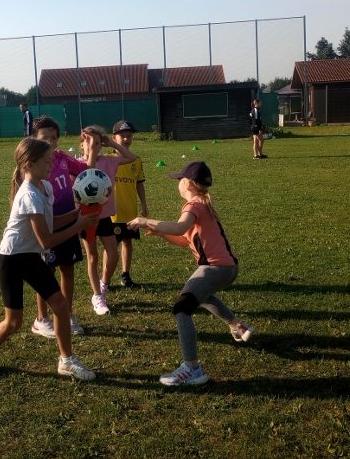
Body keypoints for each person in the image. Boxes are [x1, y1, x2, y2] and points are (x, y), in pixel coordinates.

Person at [0, 138, 98, 382]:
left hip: (30, 257)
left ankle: (66, 361)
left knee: (60, 305)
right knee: (14, 322)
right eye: (46, 161)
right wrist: (79, 226)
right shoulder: (28, 194)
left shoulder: (45, 187)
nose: (51, 166)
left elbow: (50, 222)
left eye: (51, 160)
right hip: (10, 259)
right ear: (29, 165)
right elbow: (46, 241)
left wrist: (77, 214)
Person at [128, 161, 254, 387]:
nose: (177, 183)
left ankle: (192, 368)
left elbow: (178, 227)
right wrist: (160, 232)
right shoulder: (203, 204)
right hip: (227, 268)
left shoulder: (193, 205)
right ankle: (237, 326)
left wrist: (145, 220)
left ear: (187, 183)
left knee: (182, 309)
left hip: (215, 268)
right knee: (201, 296)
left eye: (179, 179)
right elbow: (185, 239)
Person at [30, 116, 96, 338]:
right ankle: (41, 319)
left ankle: (67, 314)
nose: (49, 142)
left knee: (67, 269)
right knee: (45, 274)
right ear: (34, 139)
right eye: (44, 138)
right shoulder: (33, 165)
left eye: (53, 138)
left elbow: (86, 168)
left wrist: (91, 146)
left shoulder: (62, 158)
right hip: (47, 226)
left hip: (69, 223)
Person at [79, 125, 136, 315]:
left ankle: (104, 283)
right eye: (89, 143)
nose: (93, 147)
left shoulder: (108, 161)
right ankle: (97, 296)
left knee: (113, 254)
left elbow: (130, 157)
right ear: (81, 145)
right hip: (86, 218)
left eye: (97, 143)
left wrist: (111, 142)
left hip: (104, 217)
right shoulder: (77, 164)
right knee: (93, 256)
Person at [111, 120, 149, 288]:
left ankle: (125, 275)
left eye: (129, 136)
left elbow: (139, 184)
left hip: (130, 211)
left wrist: (144, 205)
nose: (126, 139)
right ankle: (106, 279)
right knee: (111, 246)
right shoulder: (108, 159)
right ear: (114, 138)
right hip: (112, 212)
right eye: (123, 136)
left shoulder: (136, 161)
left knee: (127, 241)